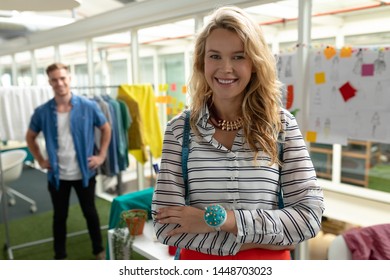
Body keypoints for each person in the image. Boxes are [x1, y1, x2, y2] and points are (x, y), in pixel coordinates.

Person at [152, 6, 324, 260]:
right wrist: (268, 240)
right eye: (215, 56)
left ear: (255, 63)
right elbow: (166, 227)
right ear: (202, 62)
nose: (225, 68)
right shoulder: (179, 130)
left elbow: (309, 217)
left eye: (238, 56)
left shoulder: (282, 126)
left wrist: (220, 220)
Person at [25, 63, 111, 260]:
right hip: (57, 175)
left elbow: (106, 128)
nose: (59, 83)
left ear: (69, 79)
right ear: (49, 82)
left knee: (90, 213)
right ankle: (60, 256)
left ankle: (98, 250)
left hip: (85, 172)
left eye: (62, 78)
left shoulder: (88, 106)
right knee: (60, 216)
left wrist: (101, 155)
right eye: (54, 79)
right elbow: (30, 137)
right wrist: (40, 159)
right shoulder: (43, 111)